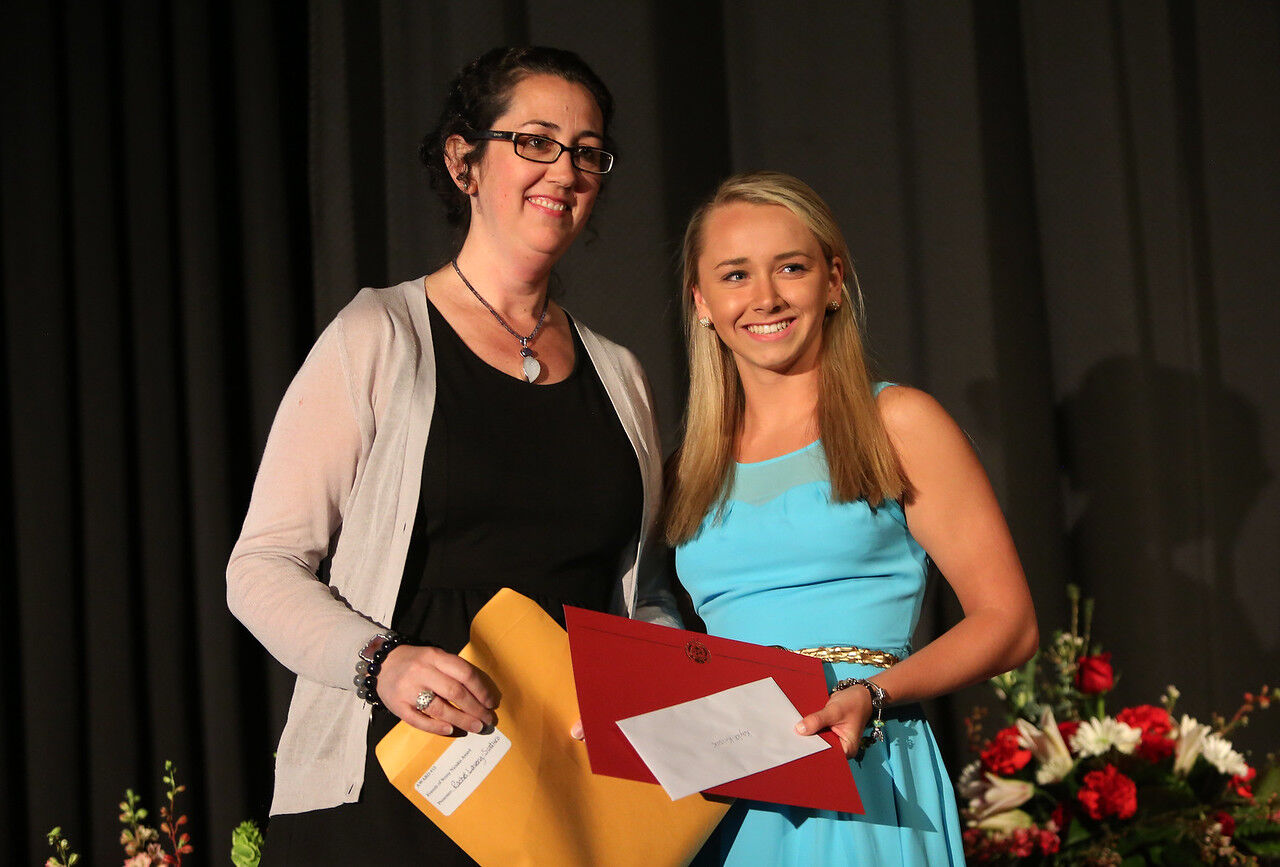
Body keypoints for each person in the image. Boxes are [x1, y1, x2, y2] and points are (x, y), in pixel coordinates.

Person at [227, 46, 678, 865]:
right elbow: (259, 567)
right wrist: (382, 664)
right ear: (464, 161)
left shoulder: (622, 374)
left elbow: (642, 588)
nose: (566, 171)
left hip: (571, 795)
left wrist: (652, 674)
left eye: (587, 152)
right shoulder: (380, 335)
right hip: (401, 774)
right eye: (536, 141)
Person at [666, 171, 1038, 865]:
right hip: (726, 789)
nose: (766, 296)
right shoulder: (687, 465)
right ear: (702, 303)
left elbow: (1009, 622)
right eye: (736, 274)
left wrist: (871, 691)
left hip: (861, 763)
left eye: (792, 267)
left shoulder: (896, 421)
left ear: (833, 281)